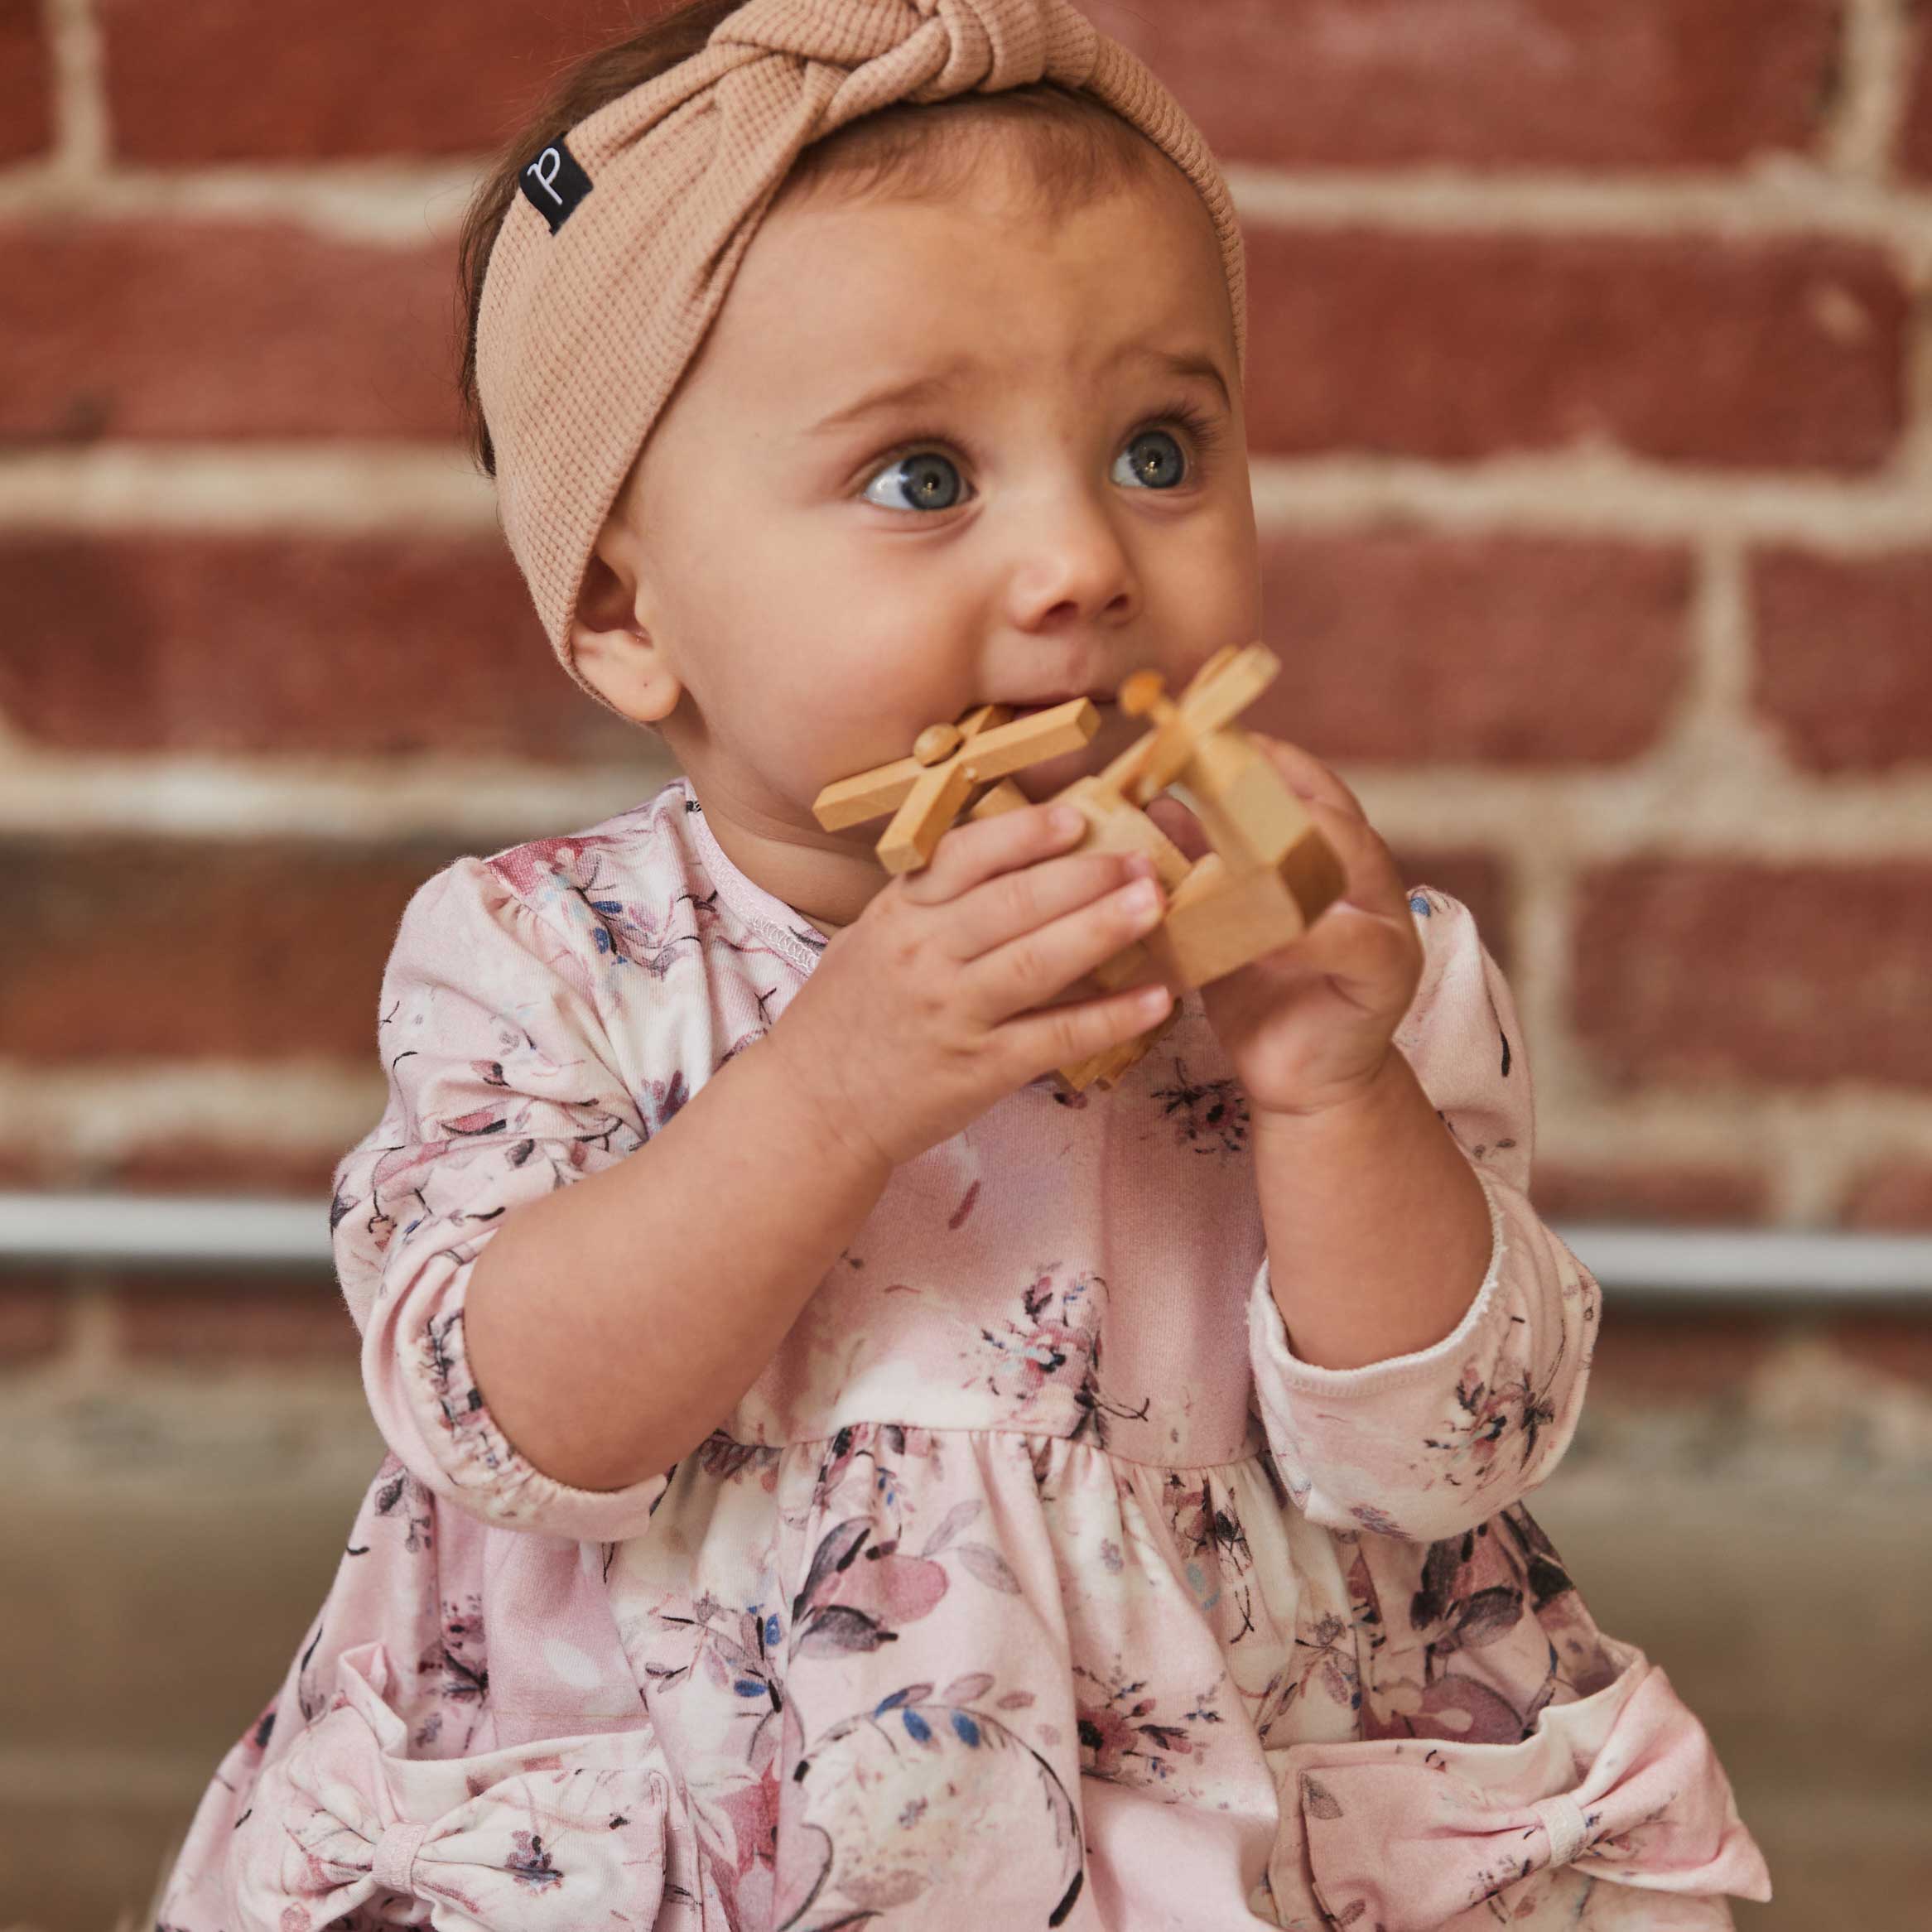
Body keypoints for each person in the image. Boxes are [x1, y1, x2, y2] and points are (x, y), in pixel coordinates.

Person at [157, 1, 1774, 1925]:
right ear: (620, 607)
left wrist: (1335, 1093)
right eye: (924, 476)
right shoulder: (546, 959)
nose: (1085, 558)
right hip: (702, 1825)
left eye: (1158, 445)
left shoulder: (1342, 966)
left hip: (1230, 1821)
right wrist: (836, 1081)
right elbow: (516, 1429)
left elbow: (1450, 1460)